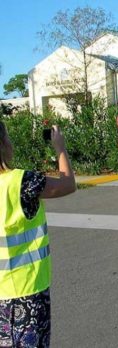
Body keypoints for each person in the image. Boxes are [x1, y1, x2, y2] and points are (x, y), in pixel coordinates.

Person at [0, 122, 76, 347]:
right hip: (27, 290)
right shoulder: (22, 182)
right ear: (3, 143)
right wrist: (59, 148)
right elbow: (67, 184)